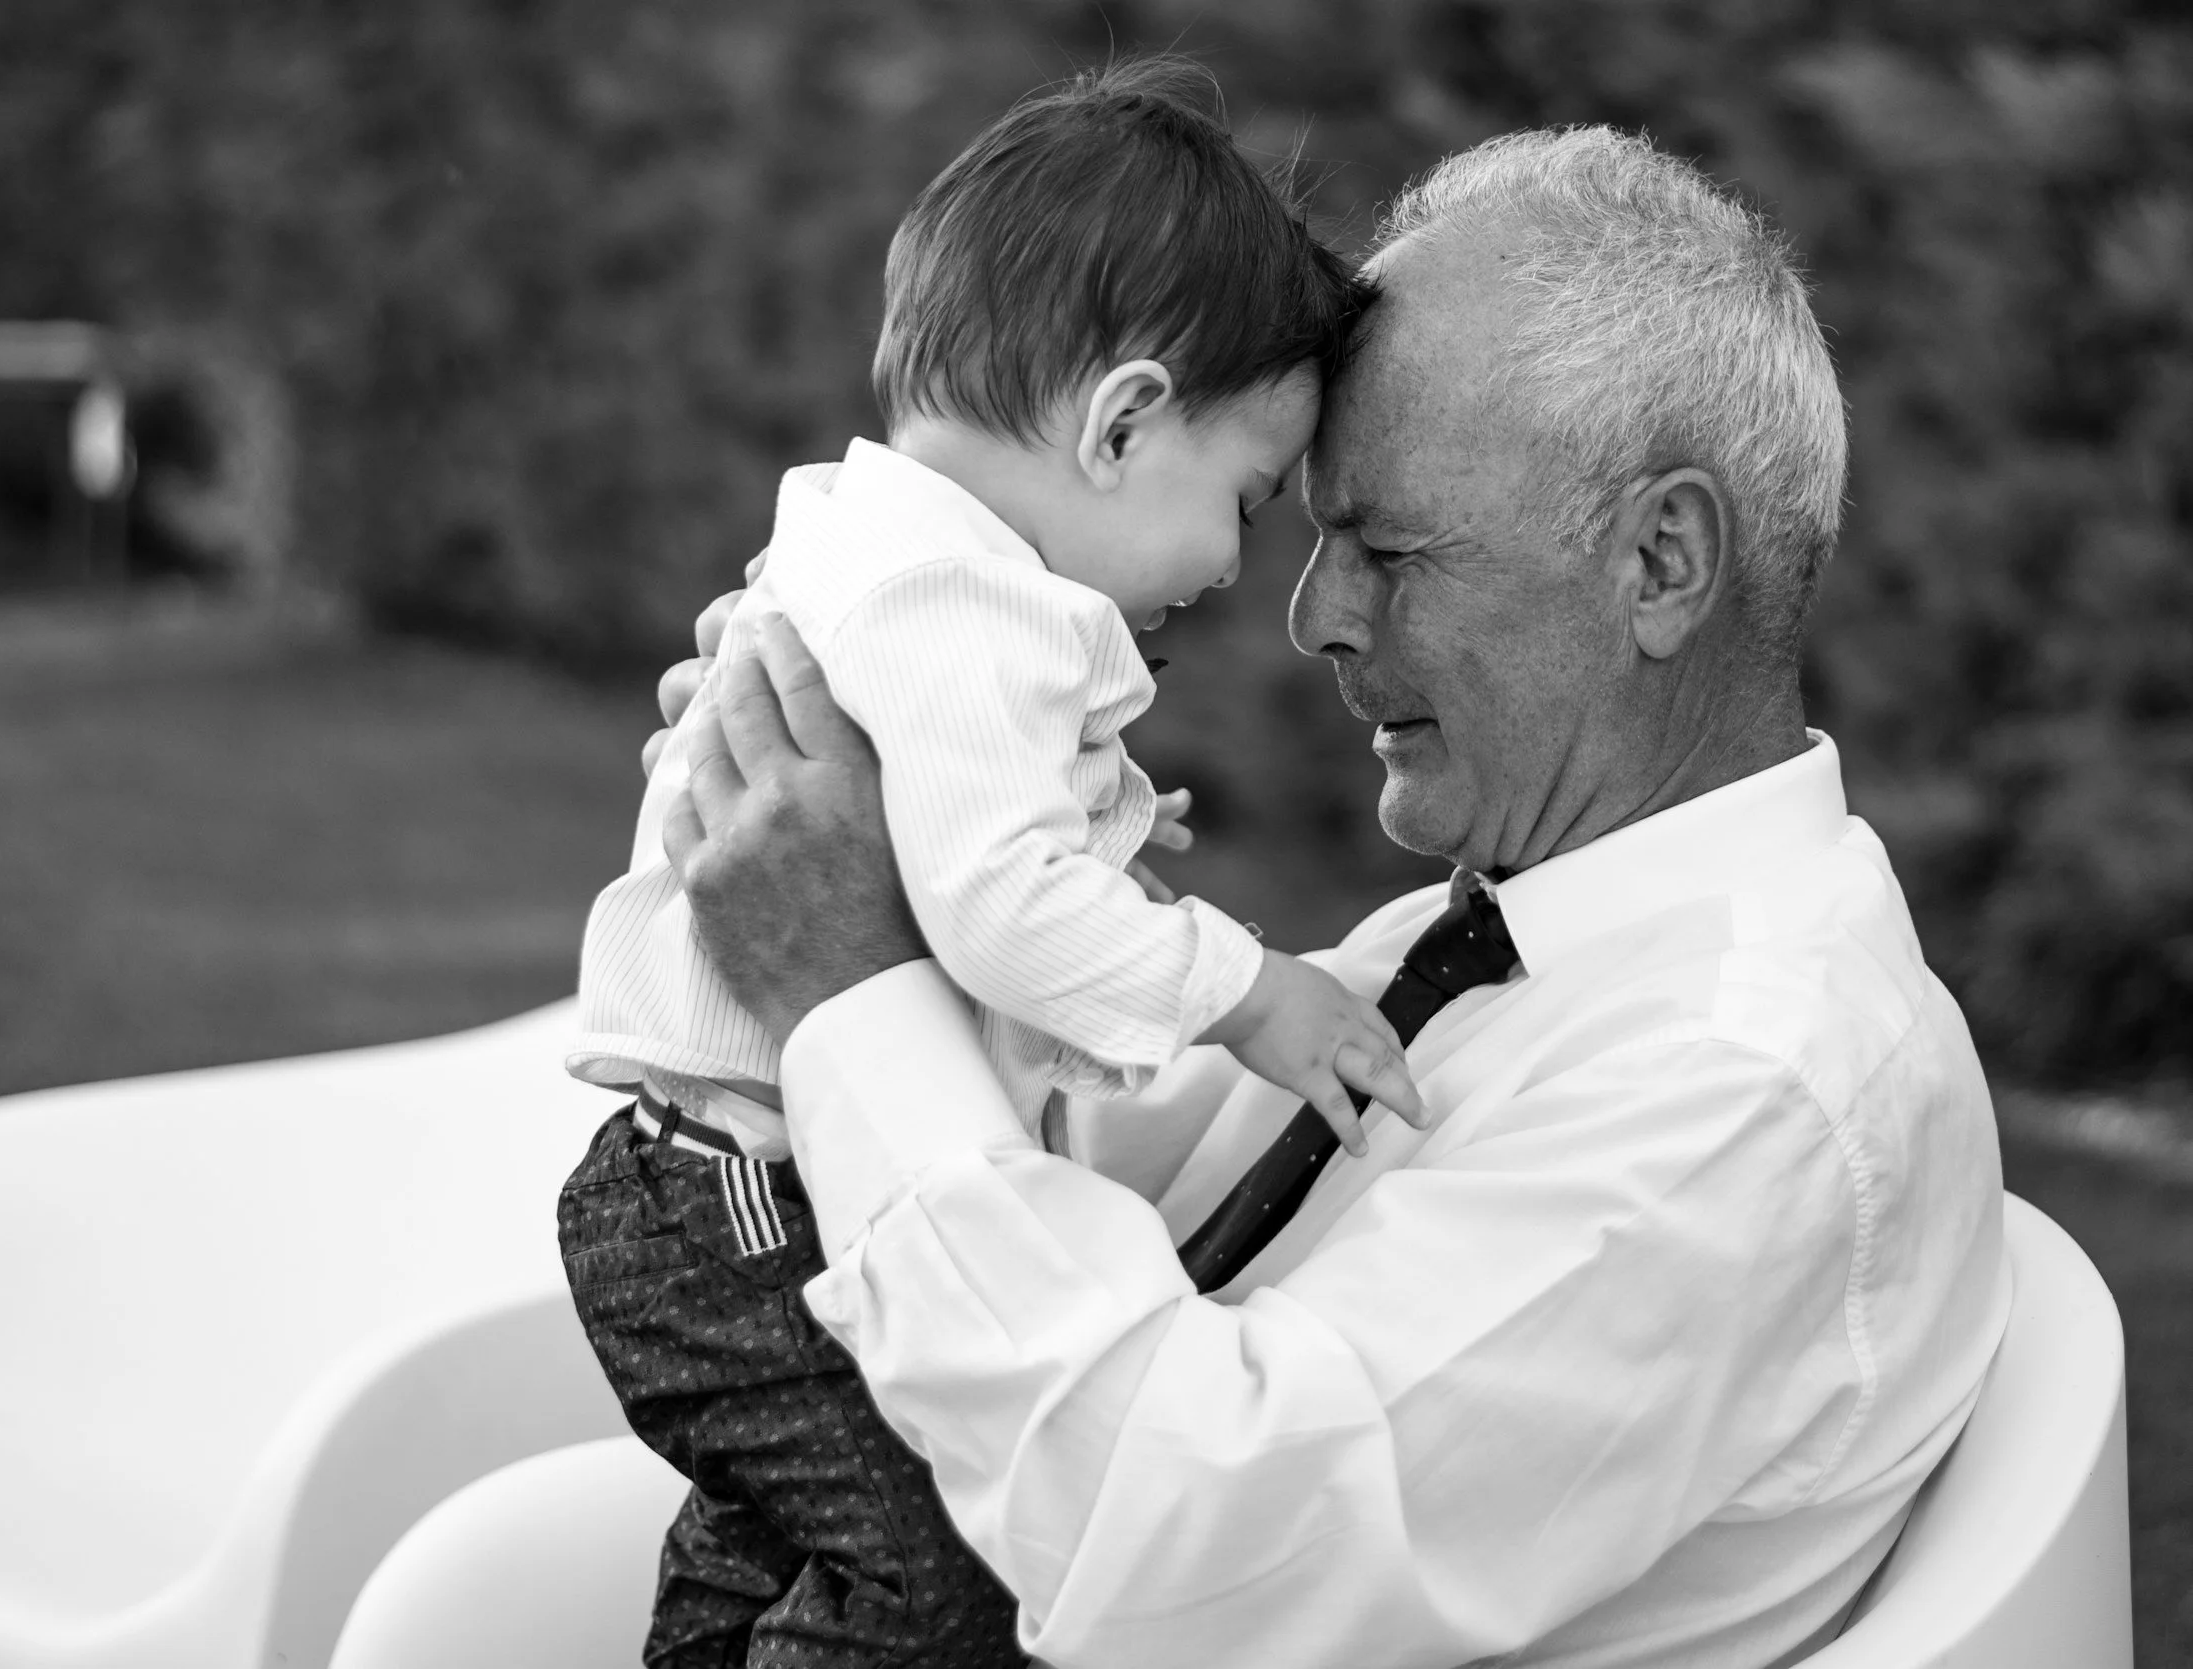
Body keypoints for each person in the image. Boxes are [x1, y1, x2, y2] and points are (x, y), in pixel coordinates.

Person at [651, 129, 2009, 1669]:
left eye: (1387, 547)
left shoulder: (1740, 1088)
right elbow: (1105, 1161)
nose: (1311, 616)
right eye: (1304, 532)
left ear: (1661, 560)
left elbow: (1187, 1547)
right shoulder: (1495, 940)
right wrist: (876, 807)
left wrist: (850, 992)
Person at [560, 61, 1423, 1669]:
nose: (1243, 566)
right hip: (747, 1205)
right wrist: (1251, 991)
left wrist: (1091, 824)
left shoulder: (876, 544)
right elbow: (996, 911)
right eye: (1243, 500)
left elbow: (954, 839)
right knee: (961, 1564)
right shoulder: (971, 612)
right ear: (1122, 422)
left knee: (785, 1539)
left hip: (705, 1191)